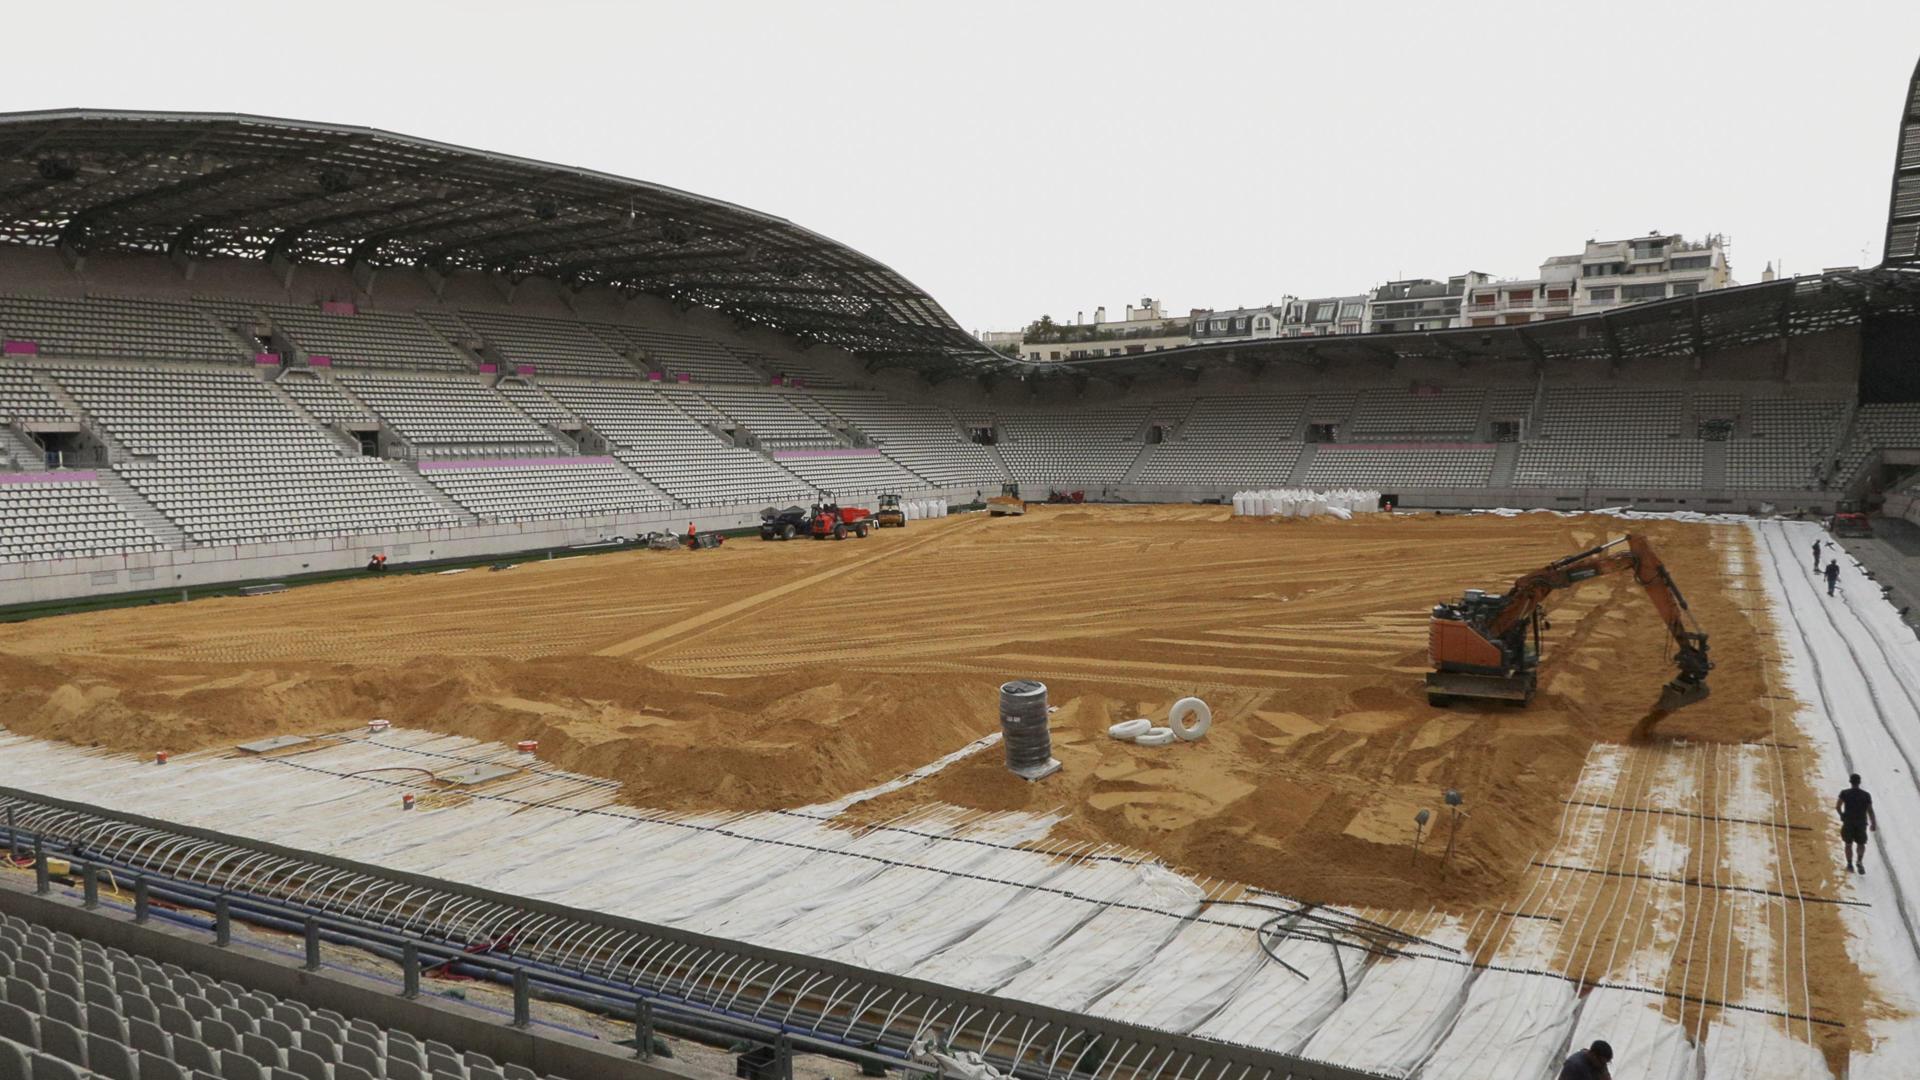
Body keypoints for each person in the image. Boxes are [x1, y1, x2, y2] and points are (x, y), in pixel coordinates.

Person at [1838, 773, 1877, 874]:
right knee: (1861, 843)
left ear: (1850, 782)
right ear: (1859, 782)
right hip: (1861, 823)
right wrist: (1873, 823)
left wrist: (1842, 815)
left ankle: (1850, 864)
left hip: (1849, 822)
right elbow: (1870, 811)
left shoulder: (1845, 793)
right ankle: (1859, 861)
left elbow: (1838, 806)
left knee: (1848, 844)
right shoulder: (1866, 795)